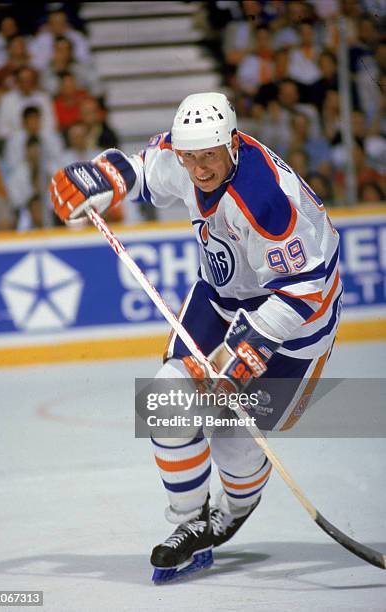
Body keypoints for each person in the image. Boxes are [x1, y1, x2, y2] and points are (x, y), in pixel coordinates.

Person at [49, 92, 342, 581]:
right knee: (167, 396)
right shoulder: (184, 156)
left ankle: (234, 508)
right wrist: (102, 180)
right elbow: (142, 171)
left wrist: (250, 347)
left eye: (209, 155)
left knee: (232, 435)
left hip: (294, 324)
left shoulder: (265, 199)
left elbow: (308, 290)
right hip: (221, 299)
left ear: (232, 143)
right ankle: (189, 525)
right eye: (191, 157)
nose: (199, 168)